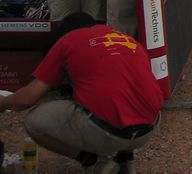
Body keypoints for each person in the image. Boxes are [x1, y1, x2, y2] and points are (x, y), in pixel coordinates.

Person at [0, 12, 163, 174]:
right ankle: (125, 159)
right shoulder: (128, 39)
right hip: (148, 129)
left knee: (34, 122)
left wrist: (2, 103)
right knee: (122, 97)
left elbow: (26, 100)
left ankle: (95, 163)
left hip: (109, 133)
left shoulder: (68, 41)